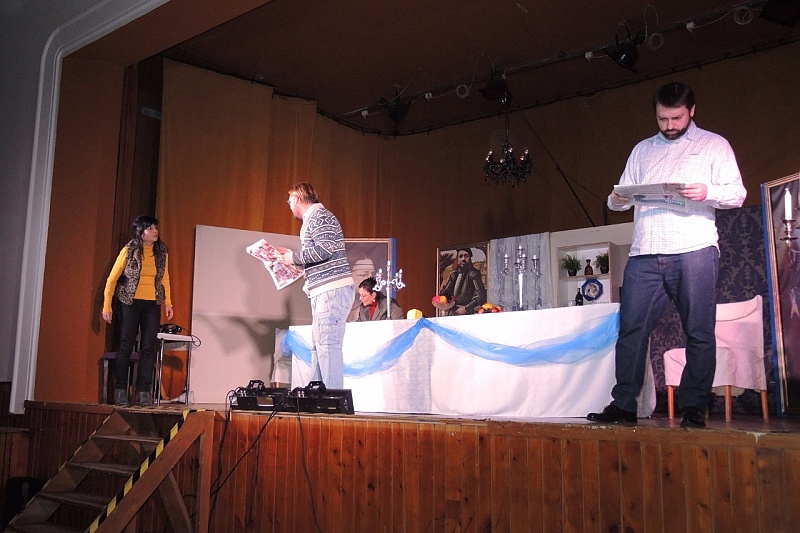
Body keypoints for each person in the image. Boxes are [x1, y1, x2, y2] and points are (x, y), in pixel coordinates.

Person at [587, 82, 746, 428]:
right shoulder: (642, 150)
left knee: (699, 331)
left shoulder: (714, 145)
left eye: (677, 118)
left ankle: (693, 407)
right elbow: (620, 196)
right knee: (631, 330)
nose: (670, 125)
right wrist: (616, 200)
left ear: (692, 111)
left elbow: (737, 194)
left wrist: (707, 191)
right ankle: (624, 405)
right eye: (663, 119)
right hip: (645, 251)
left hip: (694, 249)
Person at [273, 183, 354, 388]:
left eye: (289, 200)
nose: (289, 205)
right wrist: (293, 261)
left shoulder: (320, 216)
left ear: (297, 199)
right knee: (319, 347)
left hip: (331, 290)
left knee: (327, 346)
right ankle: (319, 395)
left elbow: (324, 250)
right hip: (324, 291)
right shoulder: (313, 219)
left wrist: (292, 257)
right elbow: (321, 255)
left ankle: (331, 398)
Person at [102, 215, 174, 407]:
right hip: (129, 301)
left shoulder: (161, 252)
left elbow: (165, 278)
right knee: (126, 344)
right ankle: (120, 390)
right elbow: (112, 279)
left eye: (155, 228)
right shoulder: (129, 250)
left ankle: (143, 391)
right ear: (140, 232)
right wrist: (107, 305)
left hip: (152, 303)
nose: (155, 231)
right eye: (150, 228)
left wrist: (168, 302)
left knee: (149, 346)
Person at [440, 248, 487, 315]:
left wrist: (466, 308)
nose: (463, 259)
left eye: (466, 256)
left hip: (468, 312)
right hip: (453, 312)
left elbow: (481, 296)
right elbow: (446, 293)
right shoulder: (454, 275)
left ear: (470, 258)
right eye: (460, 256)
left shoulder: (473, 274)